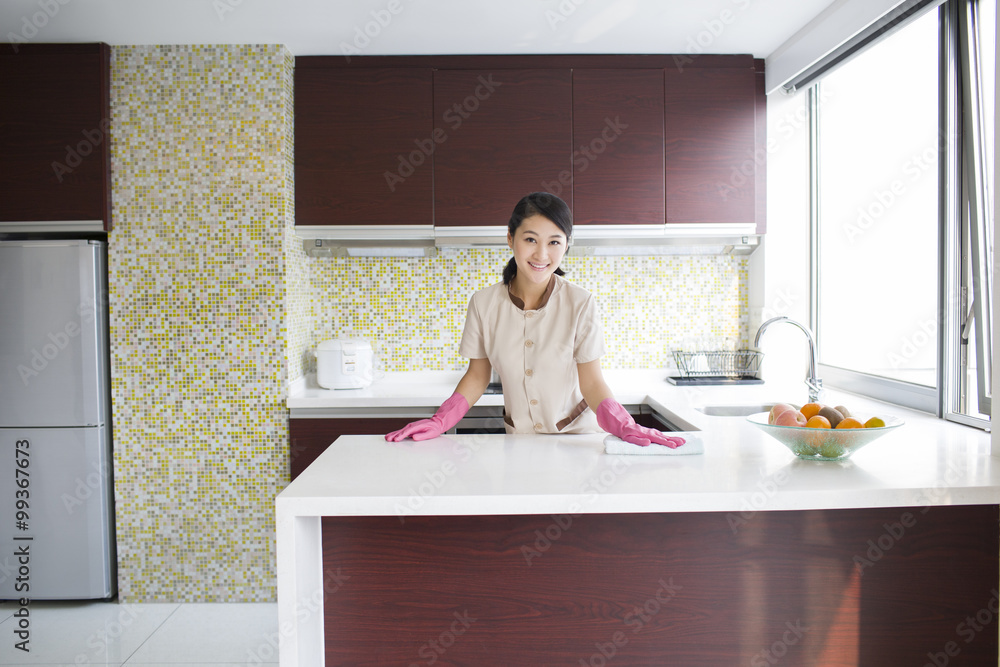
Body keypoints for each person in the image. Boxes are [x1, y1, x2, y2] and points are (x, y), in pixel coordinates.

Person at [385, 192, 685, 448]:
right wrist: (440, 421)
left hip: (578, 440)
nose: (542, 254)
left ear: (566, 244)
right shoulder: (484, 303)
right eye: (530, 239)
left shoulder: (580, 303)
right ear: (510, 237)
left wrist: (624, 424)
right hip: (521, 441)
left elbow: (592, 382)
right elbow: (478, 375)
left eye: (554, 242)